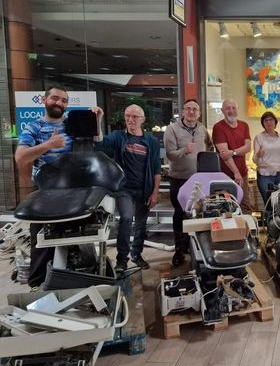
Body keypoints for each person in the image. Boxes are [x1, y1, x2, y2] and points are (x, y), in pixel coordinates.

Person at [15, 86, 103, 289]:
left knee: (79, 238)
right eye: (55, 98)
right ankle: (37, 284)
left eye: (63, 100)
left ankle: (77, 277)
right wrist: (48, 145)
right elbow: (20, 158)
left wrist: (97, 119)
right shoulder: (33, 127)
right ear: (44, 100)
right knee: (42, 242)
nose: (59, 103)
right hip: (46, 192)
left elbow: (97, 140)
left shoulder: (72, 124)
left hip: (75, 191)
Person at [95, 104, 161, 272]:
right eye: (127, 116)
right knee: (126, 219)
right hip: (124, 188)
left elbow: (156, 168)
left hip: (144, 189)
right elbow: (100, 145)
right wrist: (98, 121)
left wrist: (155, 192)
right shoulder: (118, 137)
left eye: (134, 117)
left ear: (142, 120)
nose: (130, 120)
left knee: (141, 224)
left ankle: (136, 255)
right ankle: (121, 260)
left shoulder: (151, 141)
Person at [163, 99, 214, 267]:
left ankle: (195, 247)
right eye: (188, 109)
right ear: (183, 112)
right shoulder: (172, 129)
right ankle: (180, 249)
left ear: (199, 113)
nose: (192, 112)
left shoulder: (203, 130)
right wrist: (184, 151)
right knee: (179, 213)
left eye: (195, 109)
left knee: (198, 213)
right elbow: (170, 155)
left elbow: (210, 149)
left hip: (198, 180)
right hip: (179, 179)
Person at [212, 99, 252, 213]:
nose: (231, 111)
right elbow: (225, 155)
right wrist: (236, 172)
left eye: (233, 108)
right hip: (226, 176)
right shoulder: (218, 127)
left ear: (237, 110)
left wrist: (233, 152)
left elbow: (248, 148)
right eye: (228, 108)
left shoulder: (244, 125)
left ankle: (246, 231)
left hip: (243, 174)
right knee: (227, 208)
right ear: (222, 111)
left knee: (245, 206)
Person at [253, 111, 280, 202]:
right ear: (263, 123)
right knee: (269, 203)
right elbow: (255, 160)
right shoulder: (259, 137)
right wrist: (258, 155)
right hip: (265, 175)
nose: (268, 122)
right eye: (266, 120)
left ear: (275, 122)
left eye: (271, 120)